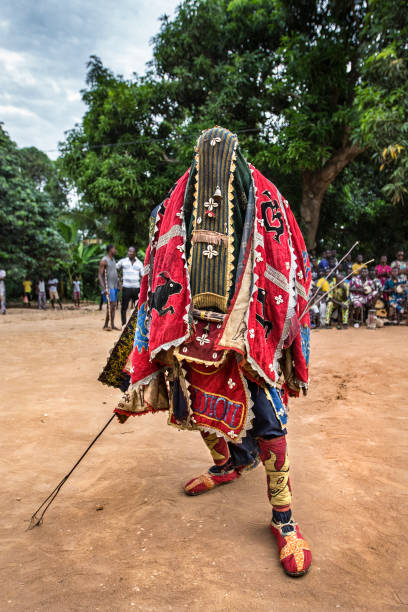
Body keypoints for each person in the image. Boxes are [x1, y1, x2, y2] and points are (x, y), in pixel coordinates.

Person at [99, 127, 312, 577]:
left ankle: (284, 518)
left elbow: (288, 260)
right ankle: (228, 462)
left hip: (246, 330)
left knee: (269, 417)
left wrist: (272, 326)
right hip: (190, 330)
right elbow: (160, 267)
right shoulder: (176, 200)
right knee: (190, 401)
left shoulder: (266, 197)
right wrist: (148, 348)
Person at [116, 246, 143, 328]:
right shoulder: (123, 261)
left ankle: (135, 325)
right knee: (124, 307)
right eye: (129, 251)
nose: (130, 253)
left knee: (136, 307)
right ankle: (123, 324)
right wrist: (119, 279)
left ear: (135, 253)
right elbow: (116, 268)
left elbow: (143, 275)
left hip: (136, 288)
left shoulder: (139, 263)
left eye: (132, 251)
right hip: (126, 287)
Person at [98, 244, 119, 331]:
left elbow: (115, 273)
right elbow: (100, 275)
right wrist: (104, 288)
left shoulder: (113, 260)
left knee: (113, 306)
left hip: (114, 286)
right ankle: (106, 324)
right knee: (111, 305)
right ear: (110, 249)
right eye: (115, 248)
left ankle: (112, 324)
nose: (116, 250)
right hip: (109, 286)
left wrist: (118, 283)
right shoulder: (104, 260)